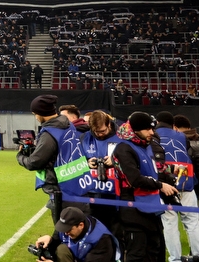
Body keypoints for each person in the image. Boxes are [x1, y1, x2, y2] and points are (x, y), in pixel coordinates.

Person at [112, 111, 179, 262]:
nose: (152, 132)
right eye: (147, 129)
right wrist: (161, 185)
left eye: (152, 129)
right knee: (137, 253)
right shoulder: (123, 148)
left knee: (154, 251)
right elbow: (134, 179)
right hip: (133, 209)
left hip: (151, 208)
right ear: (135, 130)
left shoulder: (145, 145)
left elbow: (152, 168)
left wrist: (169, 169)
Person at [17, 94, 87, 223]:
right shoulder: (67, 125)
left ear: (41, 113)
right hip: (77, 183)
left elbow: (34, 162)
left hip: (61, 189)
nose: (36, 117)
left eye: (35, 113)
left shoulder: (50, 132)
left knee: (65, 231)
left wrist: (20, 157)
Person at [155, 111, 199, 262]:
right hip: (186, 182)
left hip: (166, 184)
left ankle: (175, 259)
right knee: (192, 223)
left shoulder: (152, 136)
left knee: (170, 224)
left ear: (157, 122)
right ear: (173, 124)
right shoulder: (181, 136)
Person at [80, 111, 122, 236]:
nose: (99, 134)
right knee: (95, 230)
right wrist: (86, 162)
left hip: (117, 194)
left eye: (102, 131)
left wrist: (116, 160)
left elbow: (133, 161)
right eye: (96, 132)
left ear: (109, 125)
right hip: (93, 193)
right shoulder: (84, 138)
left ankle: (118, 254)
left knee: (117, 231)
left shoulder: (121, 137)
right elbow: (76, 160)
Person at [176, 114, 199, 249]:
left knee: (192, 224)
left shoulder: (180, 143)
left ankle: (195, 253)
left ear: (175, 127)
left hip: (191, 188)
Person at [33, 206, 119, 262]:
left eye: (69, 229)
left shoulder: (101, 239)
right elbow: (56, 242)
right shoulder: (66, 227)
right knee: (62, 250)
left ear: (81, 225)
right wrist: (50, 240)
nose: (65, 233)